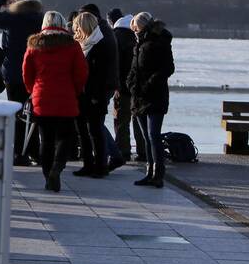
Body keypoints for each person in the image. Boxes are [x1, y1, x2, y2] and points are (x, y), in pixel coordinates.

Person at [22, 12, 88, 192]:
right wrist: (75, 89)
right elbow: (81, 72)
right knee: (66, 137)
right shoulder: (72, 46)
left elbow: (27, 73)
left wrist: (32, 91)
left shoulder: (33, 46)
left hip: (42, 98)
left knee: (46, 140)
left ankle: (47, 176)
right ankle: (57, 168)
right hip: (66, 97)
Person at [0, 0, 43, 165]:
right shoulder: (39, 19)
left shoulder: (13, 19)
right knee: (33, 113)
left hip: (13, 73)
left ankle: (19, 153)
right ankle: (34, 150)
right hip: (34, 72)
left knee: (16, 113)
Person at [126, 12, 175, 188]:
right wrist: (131, 84)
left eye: (136, 29)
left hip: (154, 96)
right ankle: (149, 172)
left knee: (154, 135)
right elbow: (134, 68)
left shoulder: (159, 42)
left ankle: (158, 174)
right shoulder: (139, 44)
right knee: (146, 137)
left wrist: (148, 84)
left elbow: (167, 68)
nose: (135, 32)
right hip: (139, 96)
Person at [73, 12, 117, 177]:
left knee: (95, 131)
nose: (75, 29)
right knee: (83, 131)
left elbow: (102, 74)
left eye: (77, 26)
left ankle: (100, 165)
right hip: (82, 95)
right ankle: (88, 164)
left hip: (95, 96)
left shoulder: (100, 44)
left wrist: (98, 96)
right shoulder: (82, 43)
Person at [112, 13, 146, 161]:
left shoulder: (116, 39)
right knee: (138, 120)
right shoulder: (138, 38)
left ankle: (123, 150)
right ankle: (143, 151)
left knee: (121, 120)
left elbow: (114, 64)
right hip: (138, 87)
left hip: (122, 87)